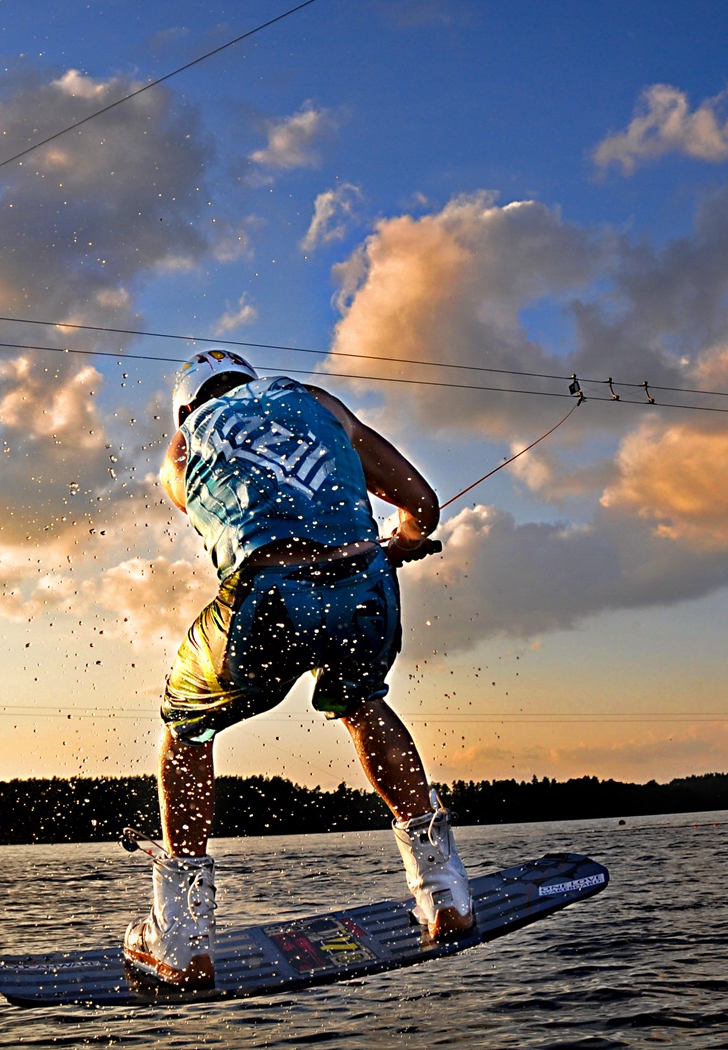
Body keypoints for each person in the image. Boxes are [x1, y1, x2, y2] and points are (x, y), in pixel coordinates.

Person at [121, 349, 473, 989]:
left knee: (186, 729)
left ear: (187, 405)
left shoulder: (181, 446)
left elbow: (224, 514)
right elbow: (421, 502)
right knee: (364, 704)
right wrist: (406, 540)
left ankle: (182, 938)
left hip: (267, 599)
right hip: (365, 587)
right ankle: (444, 896)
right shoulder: (319, 403)